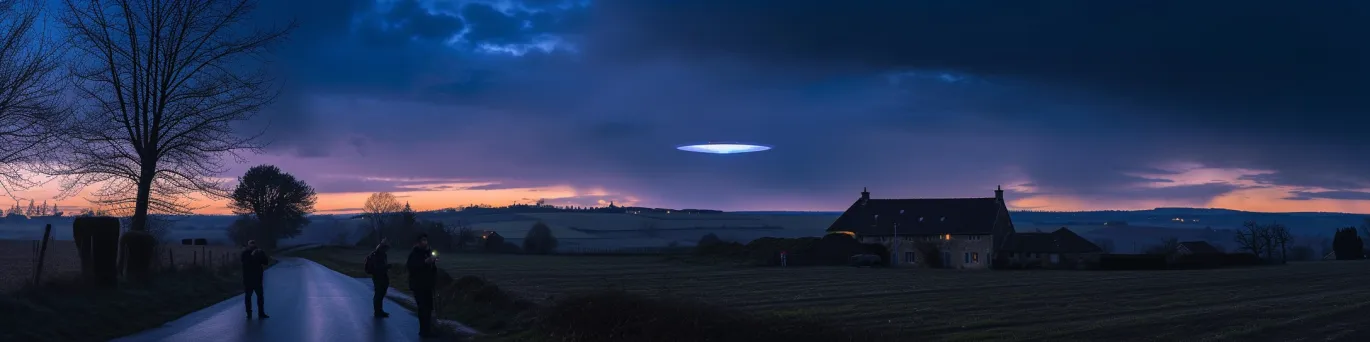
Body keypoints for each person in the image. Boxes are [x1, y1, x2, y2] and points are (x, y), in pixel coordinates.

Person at [406, 233, 439, 337]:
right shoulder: (414, 254)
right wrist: (425, 262)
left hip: (428, 285)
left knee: (428, 308)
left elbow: (432, 270)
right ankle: (424, 331)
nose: (425, 242)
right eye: (423, 240)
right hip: (418, 285)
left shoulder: (427, 252)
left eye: (426, 240)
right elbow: (412, 267)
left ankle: (427, 330)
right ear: (418, 242)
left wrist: (433, 262)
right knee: (423, 308)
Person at [241, 240, 270, 319]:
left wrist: (261, 255)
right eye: (251, 244)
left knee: (260, 296)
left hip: (257, 278)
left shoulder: (259, 252)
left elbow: (266, 262)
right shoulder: (245, 253)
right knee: (248, 297)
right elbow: (245, 264)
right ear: (248, 245)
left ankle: (261, 313)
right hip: (248, 278)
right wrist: (252, 256)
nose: (252, 245)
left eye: (253, 244)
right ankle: (249, 314)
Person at [369, 238, 392, 317]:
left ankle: (379, 310)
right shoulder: (377, 254)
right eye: (387, 247)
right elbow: (377, 267)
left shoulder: (383, 254)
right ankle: (377, 311)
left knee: (381, 294)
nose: (387, 249)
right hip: (378, 277)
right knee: (379, 294)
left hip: (382, 276)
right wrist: (387, 267)